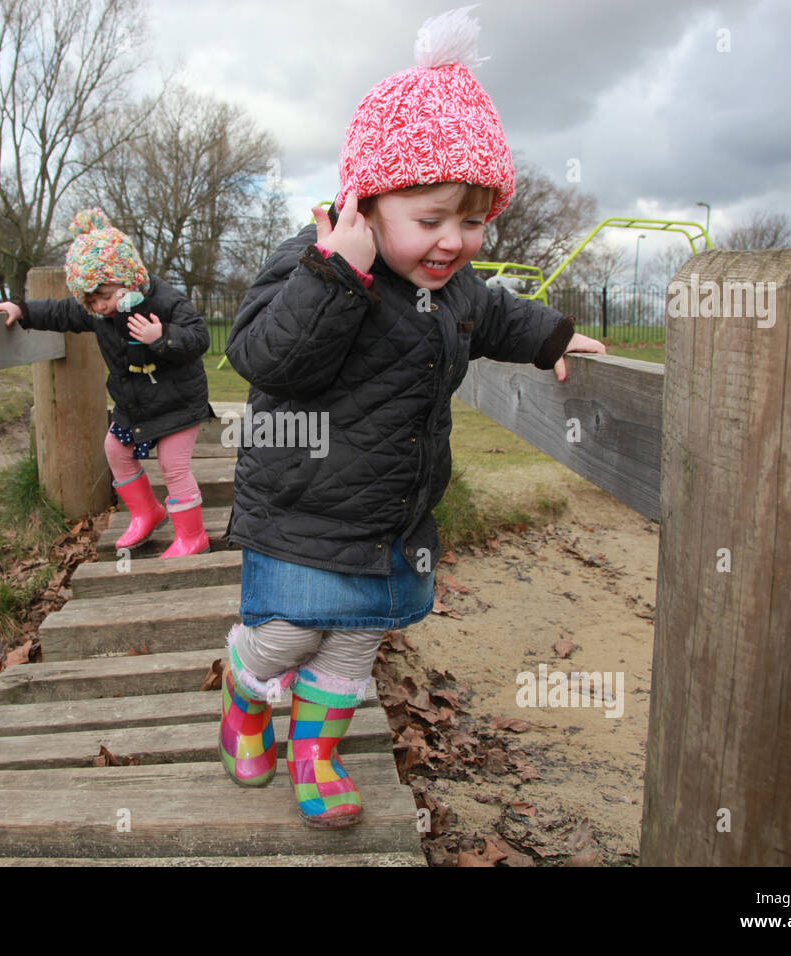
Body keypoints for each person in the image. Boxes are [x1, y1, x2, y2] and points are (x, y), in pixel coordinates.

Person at [218, 6, 606, 827]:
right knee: (286, 636)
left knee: (356, 643)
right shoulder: (312, 261)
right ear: (364, 203)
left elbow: (496, 315)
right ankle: (245, 690)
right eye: (430, 220)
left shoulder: (455, 285)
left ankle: (316, 754)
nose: (454, 241)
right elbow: (262, 359)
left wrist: (555, 337)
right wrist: (337, 275)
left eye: (472, 220)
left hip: (392, 515)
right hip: (300, 507)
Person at [0, 208, 214, 558]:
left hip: (179, 402)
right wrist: (23, 310)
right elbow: (60, 311)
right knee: (115, 450)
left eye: (104, 296)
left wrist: (162, 336)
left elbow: (199, 337)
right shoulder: (98, 311)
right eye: (90, 300)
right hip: (134, 404)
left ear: (128, 278)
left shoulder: (164, 300)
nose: (99, 306)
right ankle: (146, 512)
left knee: (173, 465)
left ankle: (192, 536)